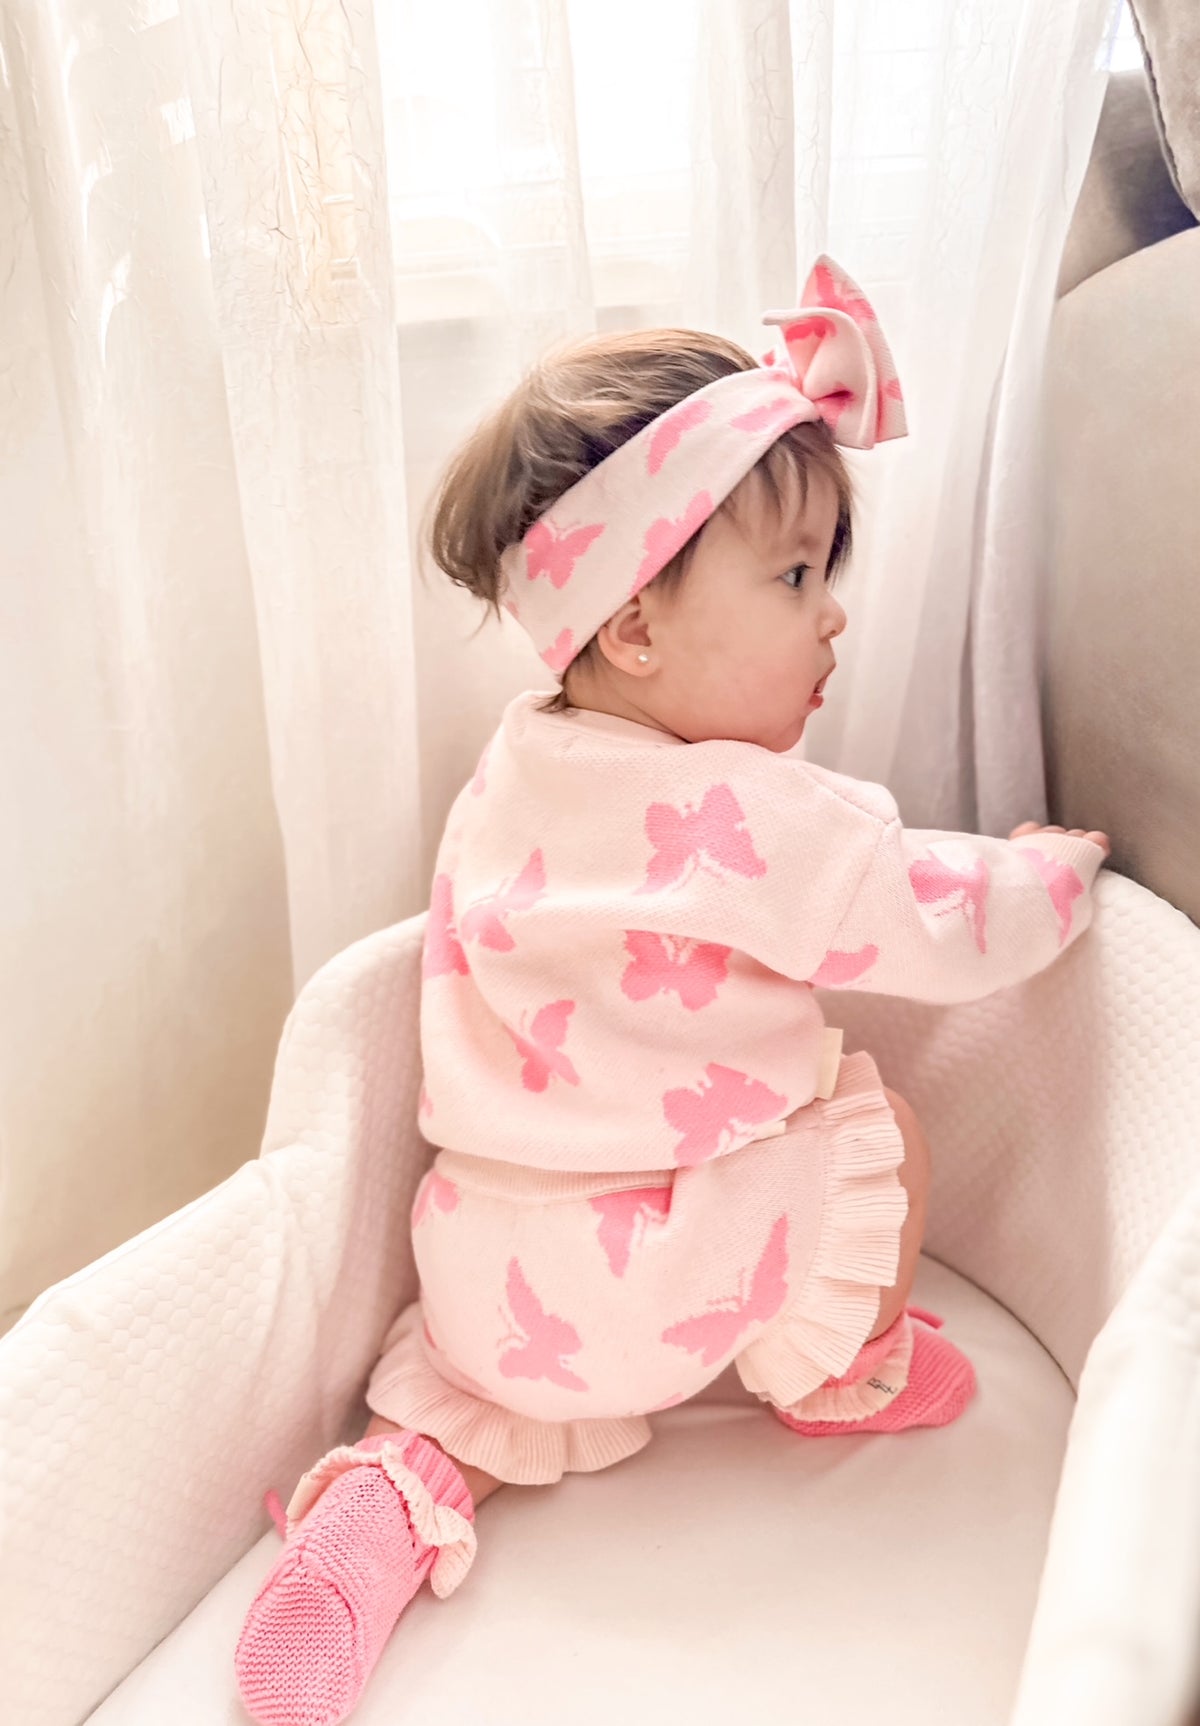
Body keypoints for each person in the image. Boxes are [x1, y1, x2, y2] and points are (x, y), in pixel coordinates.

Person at [234, 257, 1110, 1726]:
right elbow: (935, 917)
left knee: (479, 1404)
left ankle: (384, 1499)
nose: (835, 617)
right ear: (634, 627)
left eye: (831, 569)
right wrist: (1056, 873)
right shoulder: (753, 814)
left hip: (484, 1276)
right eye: (793, 576)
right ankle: (839, 1369)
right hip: (659, 1277)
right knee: (863, 1112)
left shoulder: (512, 769)